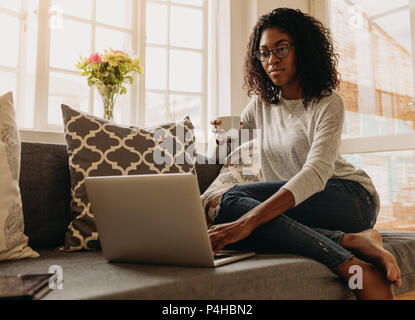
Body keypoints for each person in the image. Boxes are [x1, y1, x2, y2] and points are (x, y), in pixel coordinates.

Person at [209, 8, 401, 300]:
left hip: (348, 197)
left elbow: (316, 174)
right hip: (301, 209)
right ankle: (350, 241)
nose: (272, 60)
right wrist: (223, 139)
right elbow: (235, 138)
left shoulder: (328, 103)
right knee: (224, 207)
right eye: (264, 53)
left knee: (236, 205)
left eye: (281, 49)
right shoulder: (261, 104)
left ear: (304, 49)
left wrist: (245, 223)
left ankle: (351, 265)